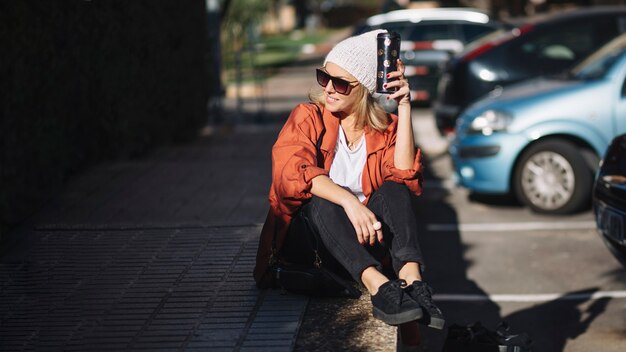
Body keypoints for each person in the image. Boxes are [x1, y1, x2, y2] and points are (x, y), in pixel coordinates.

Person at [253, 29, 444, 329]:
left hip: (356, 244)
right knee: (320, 199)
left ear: (365, 89)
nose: (328, 88)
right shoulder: (307, 117)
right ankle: (379, 286)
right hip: (309, 246)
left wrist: (405, 106)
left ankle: (413, 283)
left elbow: (406, 179)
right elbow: (290, 176)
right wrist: (350, 203)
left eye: (340, 83)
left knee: (393, 191)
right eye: (323, 77)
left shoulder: (384, 128)